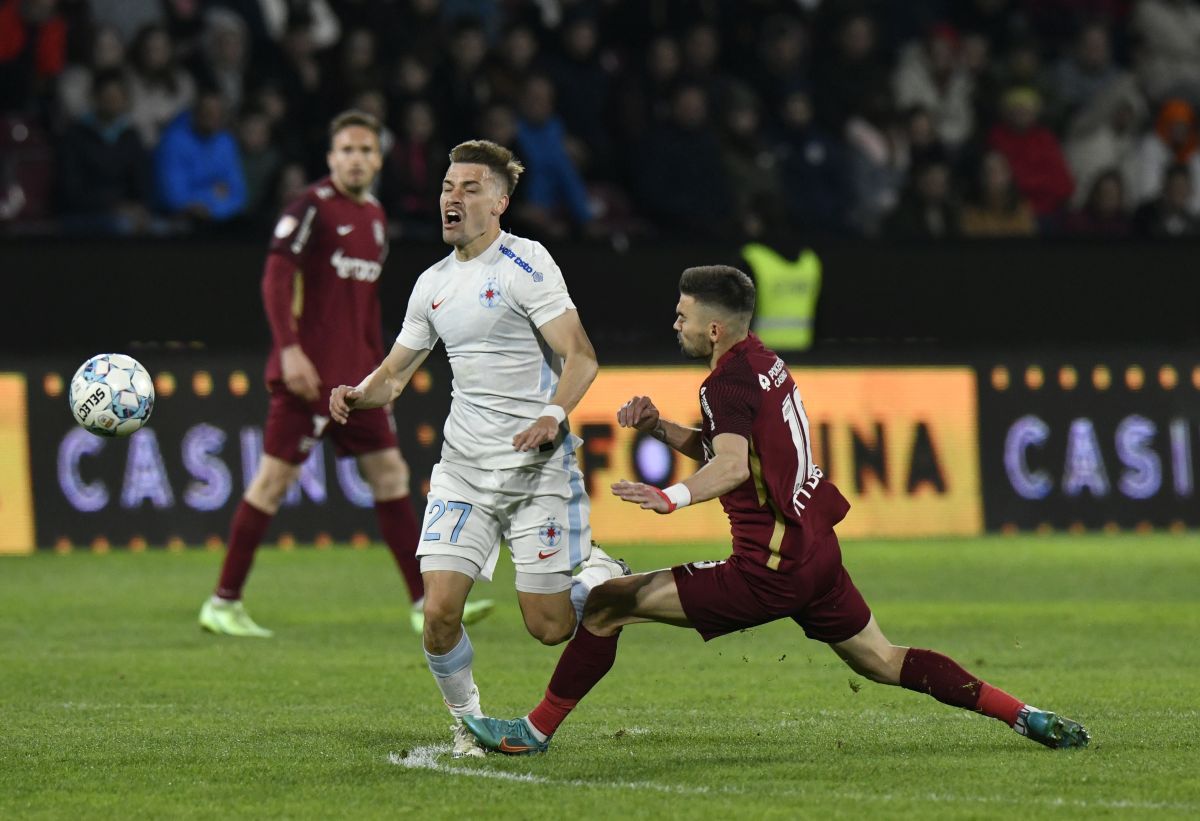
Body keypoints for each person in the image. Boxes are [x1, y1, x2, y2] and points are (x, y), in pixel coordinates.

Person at [462, 265, 1091, 755]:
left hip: (769, 568)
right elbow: (739, 450)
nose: (673, 323)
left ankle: (533, 732)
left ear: (713, 329)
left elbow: (732, 466)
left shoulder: (724, 383)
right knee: (884, 660)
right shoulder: (763, 363)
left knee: (605, 605)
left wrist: (671, 497)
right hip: (816, 551)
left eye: (681, 316)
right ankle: (1023, 714)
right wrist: (659, 429)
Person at [328, 139, 629, 759]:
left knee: (549, 628)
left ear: (500, 202)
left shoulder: (527, 263)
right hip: (463, 471)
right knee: (438, 612)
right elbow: (394, 375)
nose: (452, 198)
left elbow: (582, 356)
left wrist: (552, 415)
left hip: (533, 470)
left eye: (469, 188)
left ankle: (598, 575)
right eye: (446, 187)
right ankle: (469, 722)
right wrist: (357, 395)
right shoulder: (432, 284)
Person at [197, 110, 491, 638]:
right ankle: (223, 602)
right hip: (308, 380)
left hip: (355, 386)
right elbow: (274, 279)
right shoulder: (309, 208)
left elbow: (365, 308)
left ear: (378, 160)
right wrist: (289, 351)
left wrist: (385, 377)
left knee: (390, 477)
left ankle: (423, 601)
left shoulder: (376, 217)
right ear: (331, 158)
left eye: (365, 150)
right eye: (346, 150)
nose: (356, 159)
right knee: (271, 484)